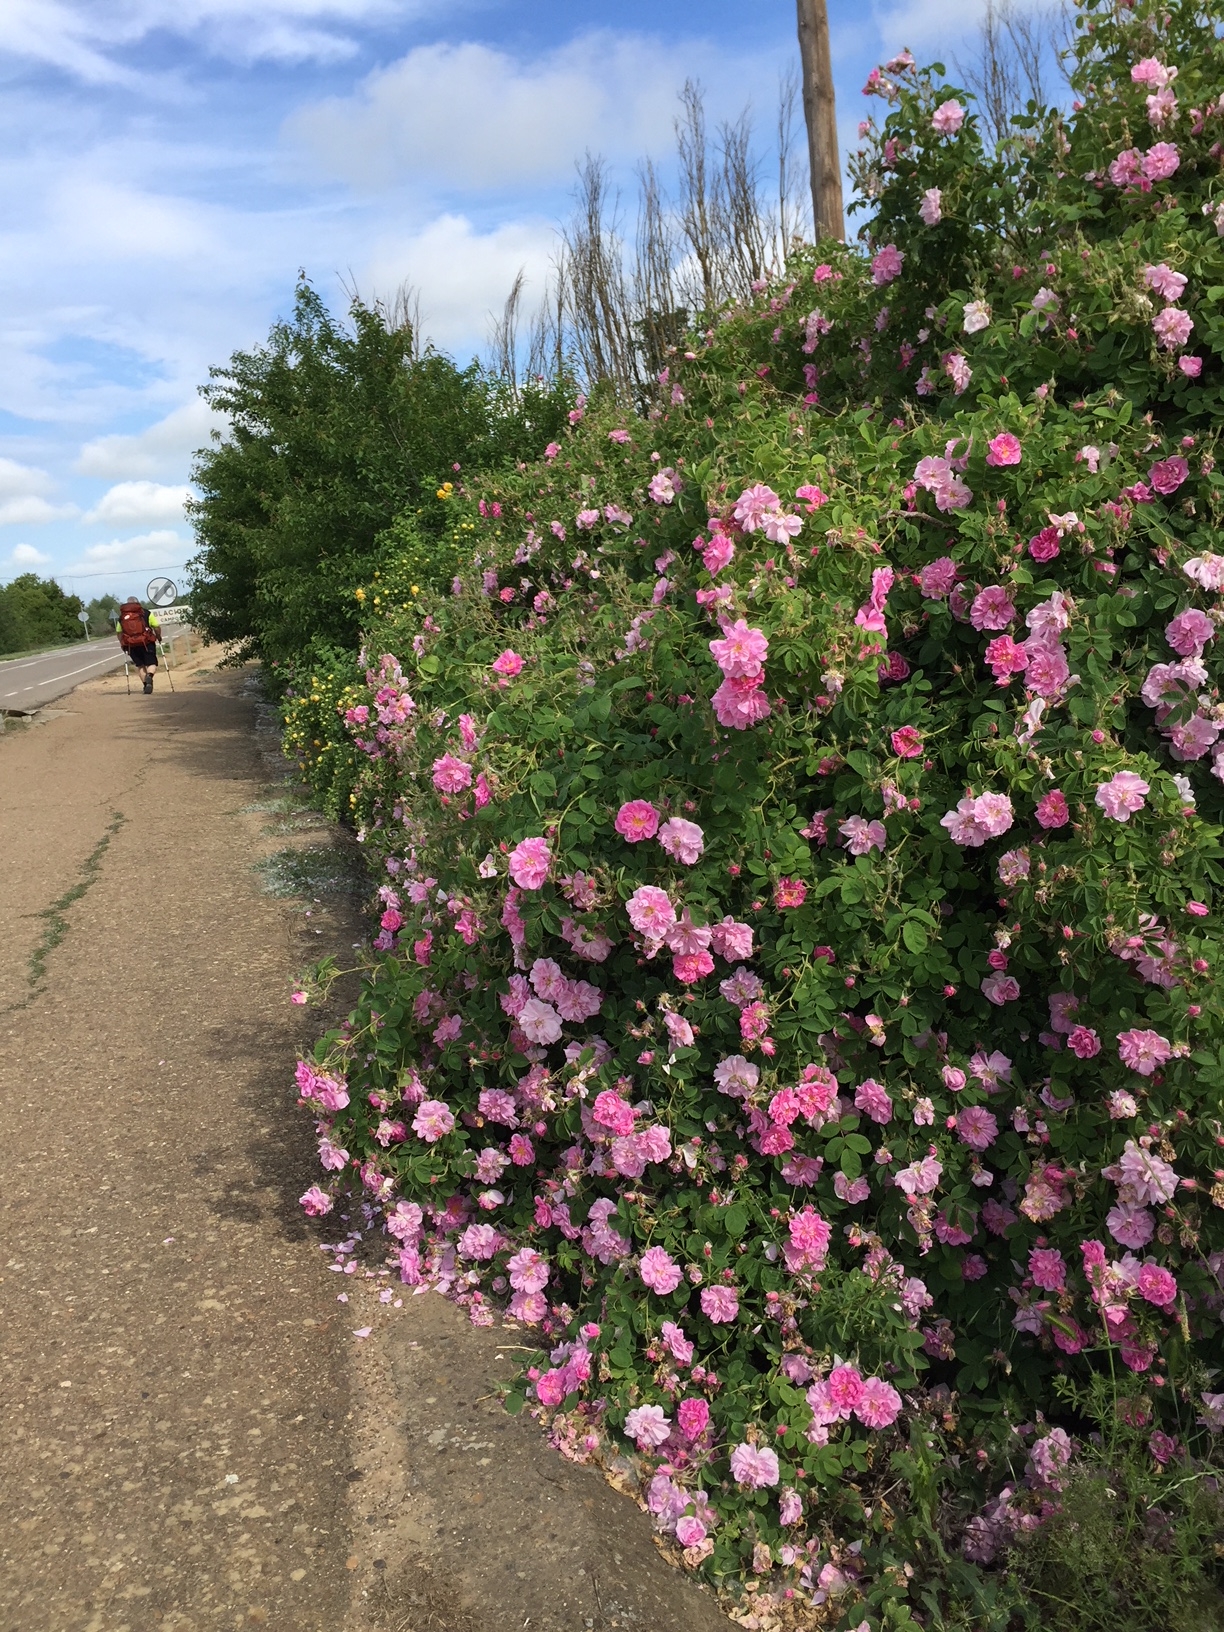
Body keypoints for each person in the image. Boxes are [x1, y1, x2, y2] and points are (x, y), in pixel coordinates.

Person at [117, 597, 162, 693]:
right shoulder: (146, 613)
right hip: (147, 642)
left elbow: (119, 632)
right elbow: (156, 626)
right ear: (138, 603)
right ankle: (149, 676)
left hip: (131, 644)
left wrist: (122, 643)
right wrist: (158, 636)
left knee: (140, 665)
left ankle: (146, 686)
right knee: (151, 663)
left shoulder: (122, 617)